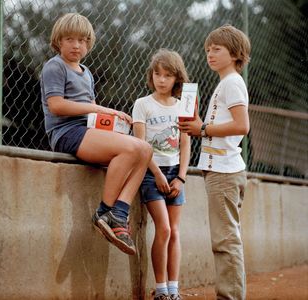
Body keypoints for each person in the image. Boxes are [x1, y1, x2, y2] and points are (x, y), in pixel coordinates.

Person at [40, 13, 152, 255]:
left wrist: (112, 122)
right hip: (66, 133)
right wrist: (99, 108)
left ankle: (119, 213)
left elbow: (92, 116)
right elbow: (57, 106)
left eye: (82, 40)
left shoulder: (87, 72)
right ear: (58, 41)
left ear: (88, 43)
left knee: (144, 149)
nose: (76, 45)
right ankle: (104, 212)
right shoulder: (54, 66)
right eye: (69, 39)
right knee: (132, 148)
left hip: (87, 131)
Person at [179, 25, 251, 300]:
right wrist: (200, 125)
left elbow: (241, 125)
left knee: (225, 240)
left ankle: (229, 297)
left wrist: (202, 129)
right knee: (227, 238)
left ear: (234, 54)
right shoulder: (227, 83)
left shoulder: (232, 82)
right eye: (208, 49)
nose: (210, 54)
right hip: (221, 169)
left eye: (217, 49)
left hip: (224, 171)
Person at [132, 49, 191, 300]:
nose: (162, 79)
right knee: (164, 229)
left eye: (168, 75)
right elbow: (141, 145)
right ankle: (161, 289)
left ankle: (173, 290)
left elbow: (186, 143)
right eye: (158, 74)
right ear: (151, 75)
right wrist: (156, 173)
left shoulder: (183, 106)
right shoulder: (142, 104)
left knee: (174, 231)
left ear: (177, 78)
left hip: (175, 173)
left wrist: (181, 177)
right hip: (151, 172)